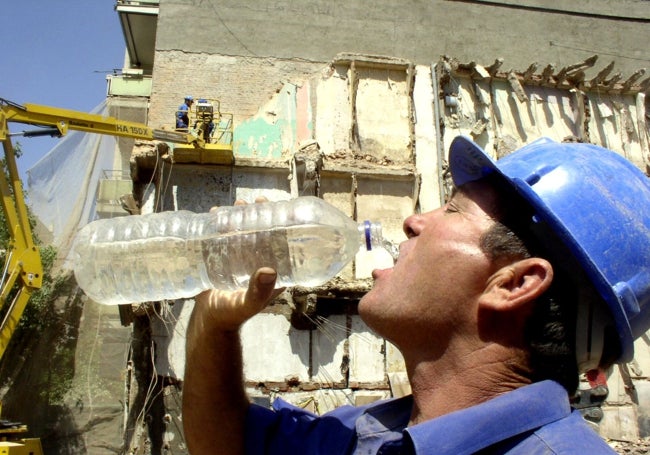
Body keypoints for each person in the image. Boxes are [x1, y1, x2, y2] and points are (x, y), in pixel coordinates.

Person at [182, 136, 650, 454]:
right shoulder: (367, 434)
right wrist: (214, 324)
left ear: (513, 284)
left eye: (452, 208)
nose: (413, 221)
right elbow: (227, 442)